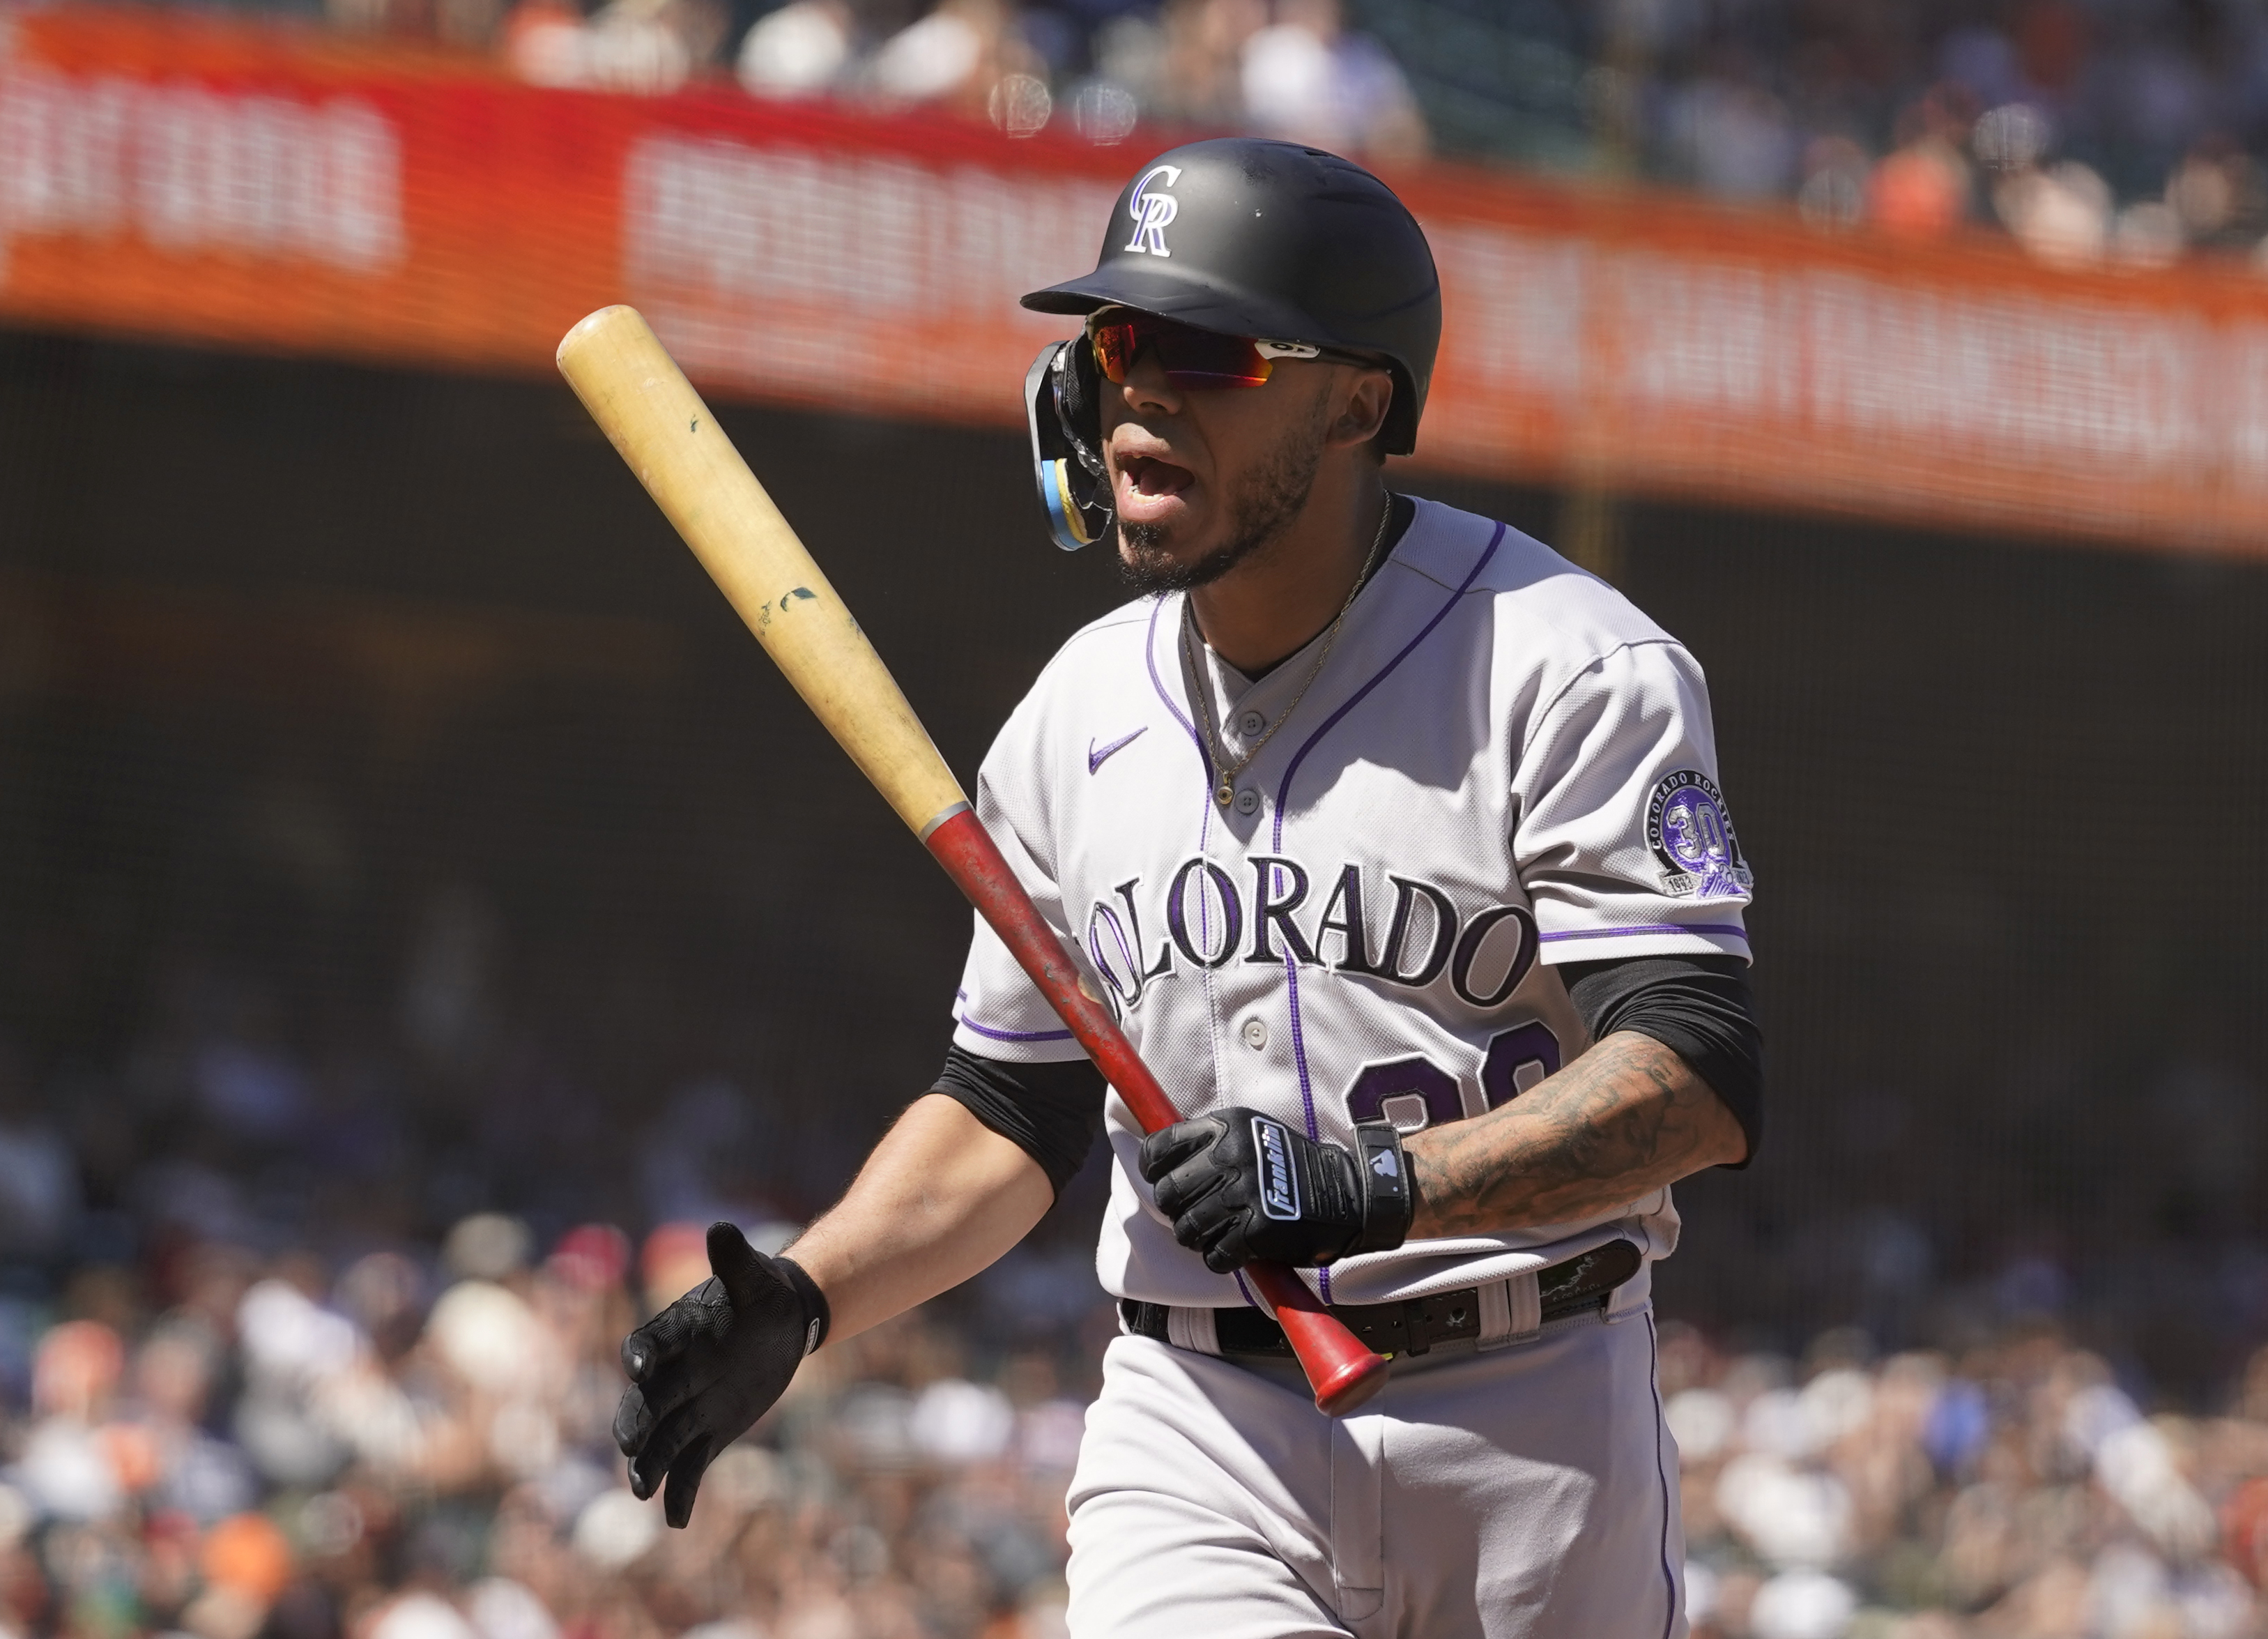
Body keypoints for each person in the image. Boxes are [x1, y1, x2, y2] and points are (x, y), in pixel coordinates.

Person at [613, 137, 1764, 1639]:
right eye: (1117, 342)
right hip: (1201, 1424)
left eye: (1207, 352)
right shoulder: (1071, 716)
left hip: (1528, 1414)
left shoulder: (1567, 668)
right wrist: (813, 1290)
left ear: (1358, 400)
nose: (1139, 390)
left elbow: (1695, 1074)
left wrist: (1381, 1191)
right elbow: (1011, 1106)